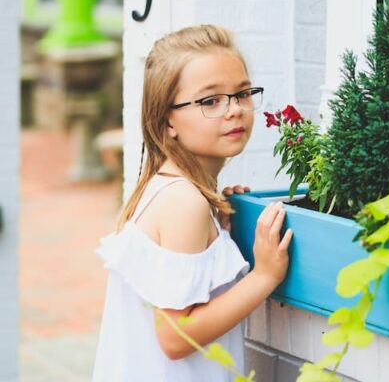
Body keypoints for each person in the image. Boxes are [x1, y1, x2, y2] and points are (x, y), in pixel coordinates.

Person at [92, 25, 292, 381]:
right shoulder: (184, 201)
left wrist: (221, 233)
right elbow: (175, 337)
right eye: (211, 101)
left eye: (242, 93)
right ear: (167, 119)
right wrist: (264, 276)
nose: (234, 110)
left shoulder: (176, 191)